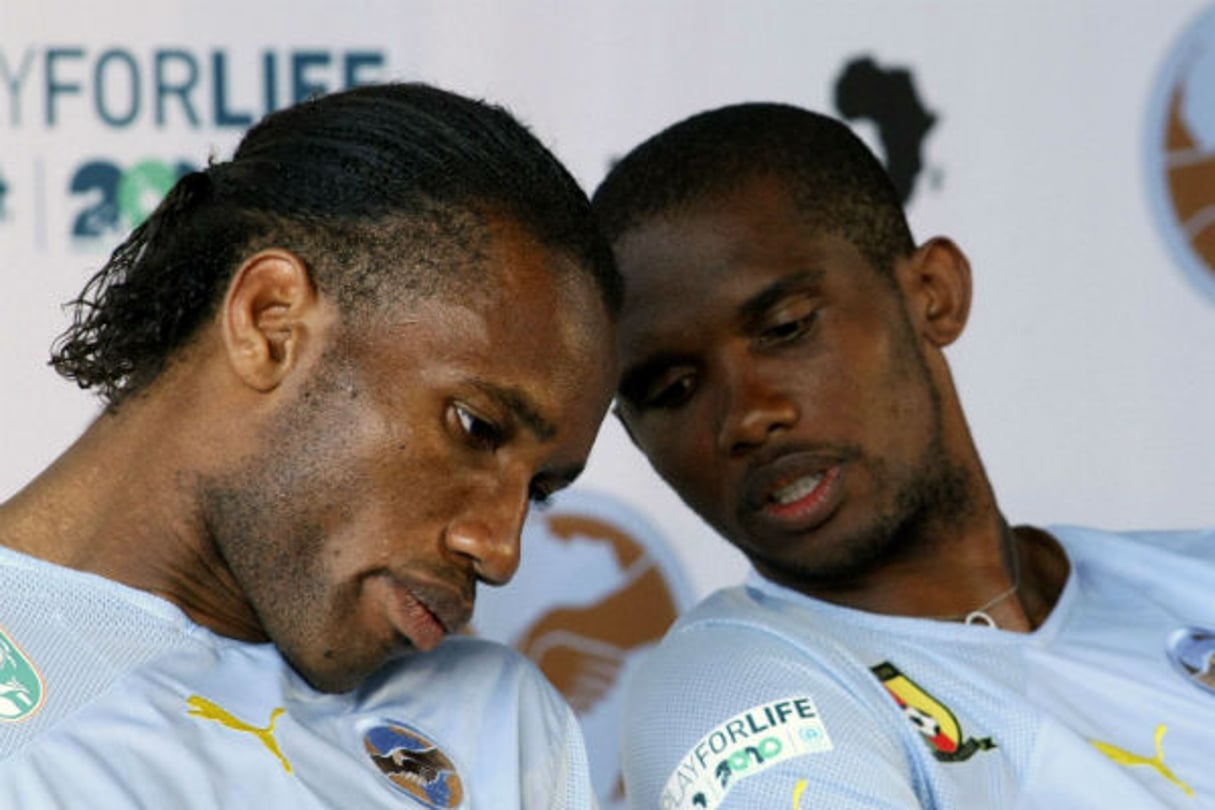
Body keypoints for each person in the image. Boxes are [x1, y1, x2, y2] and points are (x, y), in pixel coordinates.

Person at [0, 81, 621, 808]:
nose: (499, 550)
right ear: (270, 322)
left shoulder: (497, 720)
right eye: (475, 428)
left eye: (539, 491)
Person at [591, 102, 1215, 809]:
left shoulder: (1192, 577)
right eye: (673, 390)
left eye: (786, 328)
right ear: (636, 437)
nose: (747, 416)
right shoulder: (734, 691)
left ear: (932, 295)